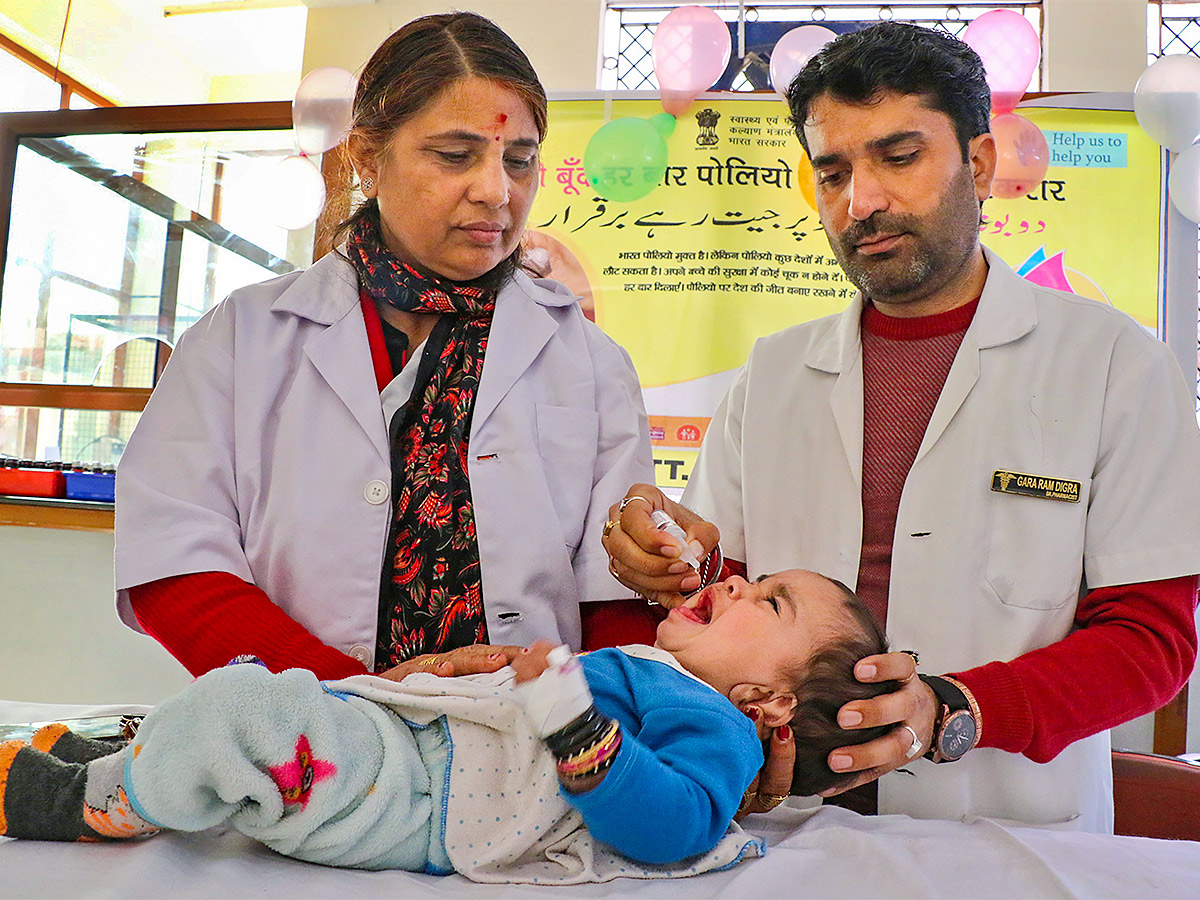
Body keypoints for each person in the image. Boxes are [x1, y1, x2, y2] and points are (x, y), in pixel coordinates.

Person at [602, 22, 1200, 832]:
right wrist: (675, 561)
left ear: (980, 165)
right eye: (834, 171)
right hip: (781, 828)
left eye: (900, 156)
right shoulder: (775, 374)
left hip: (1006, 830)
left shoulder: (1115, 367)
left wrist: (955, 708)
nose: (864, 201)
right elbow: (722, 594)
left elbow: (1150, 639)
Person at [113, 12, 654, 685]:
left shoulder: (589, 363)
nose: (496, 191)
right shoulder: (243, 338)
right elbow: (172, 563)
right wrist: (347, 705)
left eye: (519, 160)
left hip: (529, 754)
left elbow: (619, 595)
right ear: (368, 158)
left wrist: (596, 731)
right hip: (298, 743)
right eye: (456, 155)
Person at [0, 571, 896, 883]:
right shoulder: (669, 678)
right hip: (413, 755)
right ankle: (137, 761)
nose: (737, 584)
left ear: (771, 706)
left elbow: (673, 827)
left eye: (769, 601)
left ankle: (98, 802)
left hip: (424, 802)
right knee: (257, 699)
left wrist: (579, 731)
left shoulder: (723, 729)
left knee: (252, 715)